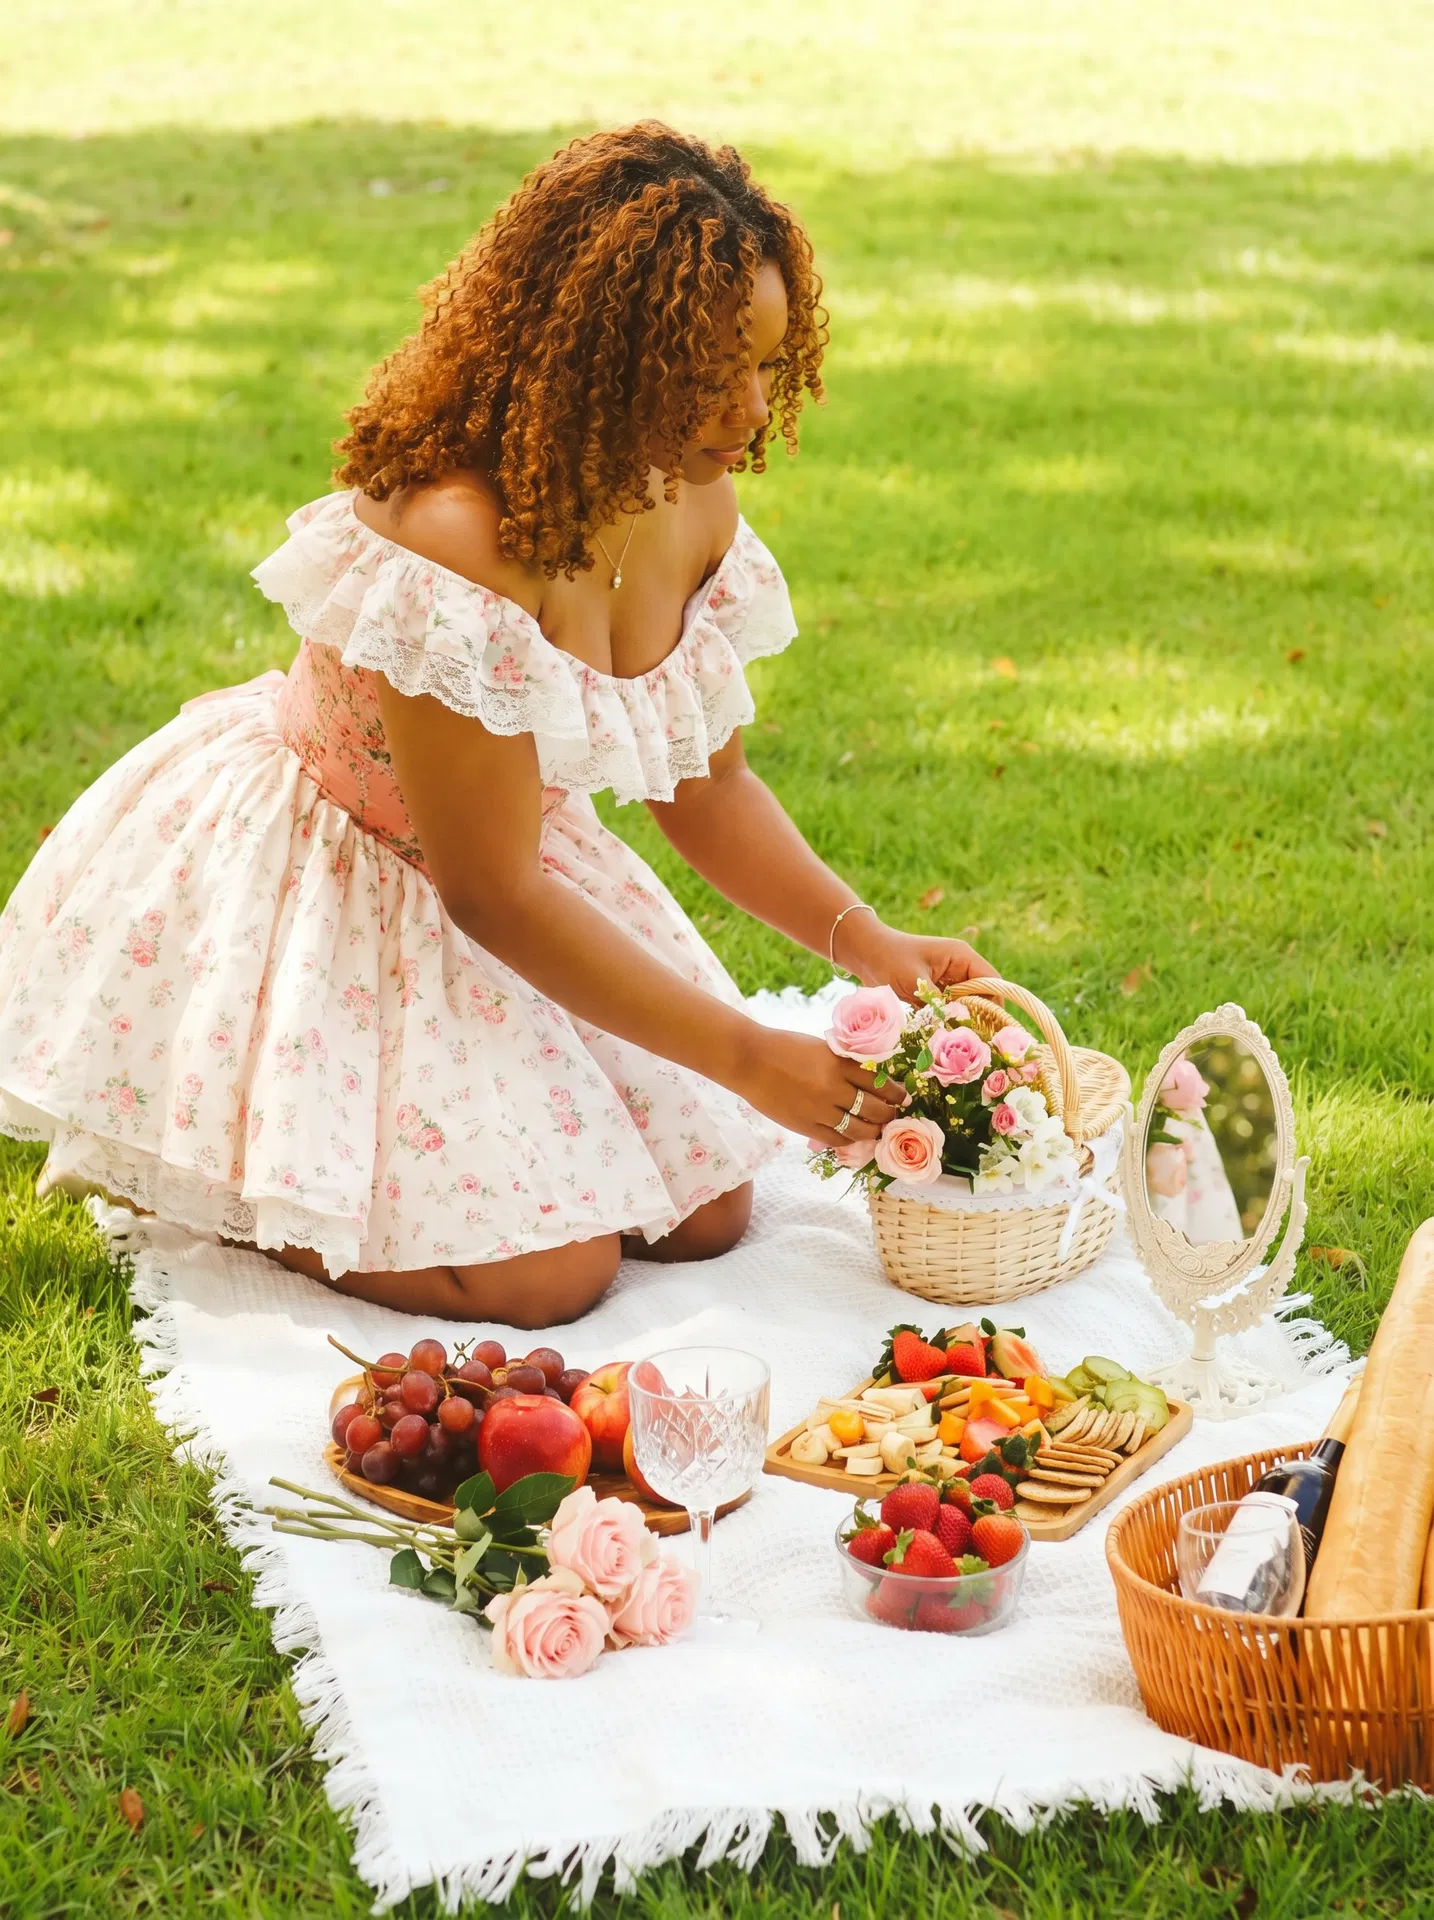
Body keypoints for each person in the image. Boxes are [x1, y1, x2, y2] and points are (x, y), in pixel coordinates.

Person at [0, 124, 993, 1327]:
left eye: (770, 369)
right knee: (549, 1275)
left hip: (524, 866)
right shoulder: (458, 536)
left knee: (707, 1209)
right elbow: (488, 894)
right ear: (604, 358)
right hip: (351, 885)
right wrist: (742, 1052)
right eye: (712, 373)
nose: (748, 410)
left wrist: (868, 940)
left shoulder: (696, 501)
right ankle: (226, 1168)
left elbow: (708, 786)